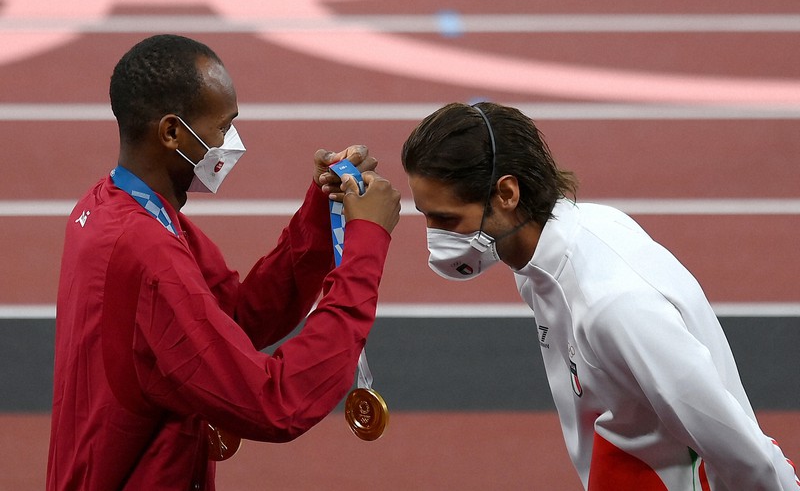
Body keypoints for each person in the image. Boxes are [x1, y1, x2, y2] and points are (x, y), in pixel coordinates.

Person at [46, 34, 401, 490]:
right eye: (223, 126)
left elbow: (235, 318)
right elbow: (277, 402)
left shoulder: (117, 207)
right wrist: (365, 245)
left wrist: (319, 212)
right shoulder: (147, 252)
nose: (231, 142)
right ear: (172, 132)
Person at [401, 101, 798, 490]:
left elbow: (735, 445)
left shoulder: (614, 305)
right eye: (427, 215)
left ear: (506, 193)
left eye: (447, 219)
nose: (435, 237)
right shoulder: (540, 259)